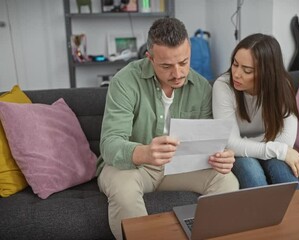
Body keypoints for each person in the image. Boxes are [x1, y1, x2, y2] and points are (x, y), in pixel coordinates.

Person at [96, 17, 239, 240]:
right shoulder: (124, 82)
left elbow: (206, 144)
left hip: (178, 167)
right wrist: (143, 152)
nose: (178, 73)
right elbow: (110, 143)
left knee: (227, 180)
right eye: (166, 66)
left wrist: (221, 156)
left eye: (183, 62)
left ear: (189, 50)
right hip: (133, 168)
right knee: (123, 190)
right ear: (149, 58)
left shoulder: (201, 87)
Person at [212, 33, 299, 189]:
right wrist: (277, 149)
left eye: (247, 70)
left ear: (267, 73)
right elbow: (230, 143)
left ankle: (297, 213)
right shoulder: (223, 86)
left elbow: (286, 141)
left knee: (284, 174)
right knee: (252, 173)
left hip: (263, 148)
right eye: (235, 64)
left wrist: (273, 149)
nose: (236, 74)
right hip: (238, 154)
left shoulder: (282, 86)